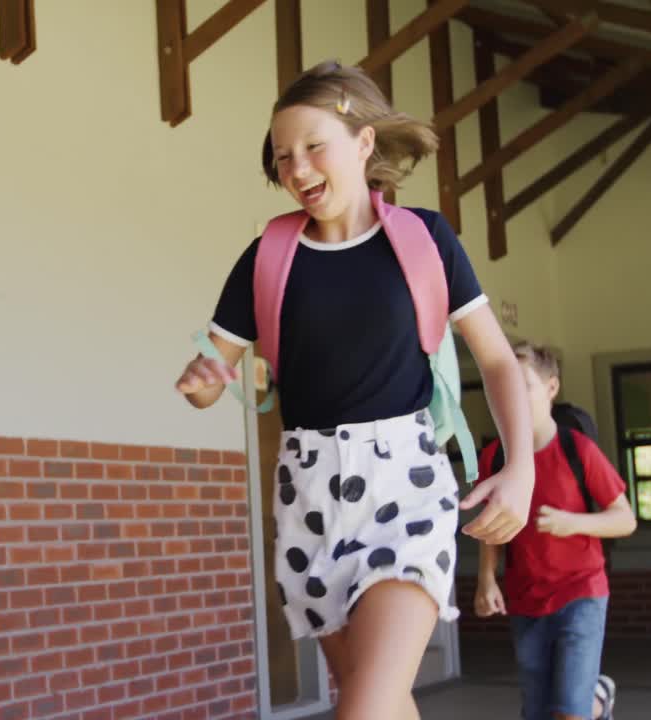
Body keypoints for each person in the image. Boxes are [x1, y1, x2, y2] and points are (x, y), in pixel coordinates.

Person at [174, 61, 535, 720]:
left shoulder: (425, 240)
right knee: (380, 701)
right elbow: (212, 370)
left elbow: (500, 362)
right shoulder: (267, 258)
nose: (298, 168)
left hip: (406, 489)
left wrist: (521, 469)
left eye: (315, 147)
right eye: (283, 156)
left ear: (364, 143)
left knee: (363, 709)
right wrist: (202, 383)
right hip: (307, 499)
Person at [474, 342, 634, 720]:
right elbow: (491, 524)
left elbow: (624, 519)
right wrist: (486, 579)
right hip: (525, 597)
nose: (513, 392)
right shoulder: (495, 456)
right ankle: (597, 698)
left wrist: (572, 523)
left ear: (551, 388)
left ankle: (587, 701)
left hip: (581, 592)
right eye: (506, 383)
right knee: (540, 712)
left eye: (524, 384)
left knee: (568, 714)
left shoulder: (577, 449)